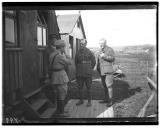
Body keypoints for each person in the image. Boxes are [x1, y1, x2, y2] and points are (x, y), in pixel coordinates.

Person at [49, 39, 72, 117]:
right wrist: (66, 54)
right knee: (62, 93)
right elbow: (69, 62)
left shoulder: (52, 54)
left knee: (59, 93)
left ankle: (60, 110)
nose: (64, 48)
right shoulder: (59, 56)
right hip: (60, 76)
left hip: (55, 75)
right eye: (64, 47)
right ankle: (61, 113)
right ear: (61, 47)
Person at [75, 39, 96, 107]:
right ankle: (81, 100)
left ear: (86, 44)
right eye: (80, 44)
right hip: (80, 73)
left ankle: (89, 101)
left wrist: (89, 68)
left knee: (89, 88)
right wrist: (79, 68)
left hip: (87, 73)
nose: (81, 45)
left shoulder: (90, 52)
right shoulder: (77, 52)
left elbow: (93, 62)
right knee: (80, 88)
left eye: (83, 44)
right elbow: (76, 62)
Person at [96, 38, 115, 107]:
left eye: (102, 43)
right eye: (100, 43)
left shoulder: (110, 49)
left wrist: (104, 56)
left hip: (108, 71)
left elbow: (113, 58)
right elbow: (98, 61)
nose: (100, 44)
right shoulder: (100, 50)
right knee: (104, 86)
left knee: (109, 86)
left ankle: (110, 101)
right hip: (102, 71)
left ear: (105, 43)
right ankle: (106, 99)